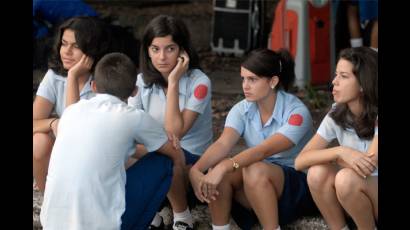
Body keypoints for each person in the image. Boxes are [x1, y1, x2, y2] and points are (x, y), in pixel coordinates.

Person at [40, 52, 186, 230]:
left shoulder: (71, 112)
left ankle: (152, 218)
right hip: (104, 226)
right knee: (164, 161)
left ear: (93, 86)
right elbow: (174, 150)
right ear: (134, 91)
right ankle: (178, 216)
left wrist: (72, 75)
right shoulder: (133, 117)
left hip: (51, 223)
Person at [189, 48, 317, 230]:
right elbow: (223, 143)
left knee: (250, 169)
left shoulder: (297, 112)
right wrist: (197, 170)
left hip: (296, 188)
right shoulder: (242, 109)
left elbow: (263, 151)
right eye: (243, 78)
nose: (245, 86)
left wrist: (225, 165)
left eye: (253, 80)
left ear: (273, 81)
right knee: (221, 171)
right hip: (257, 184)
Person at [128, 15, 213, 230]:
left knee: (168, 151)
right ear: (146, 50)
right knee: (116, 152)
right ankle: (151, 216)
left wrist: (173, 82)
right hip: (154, 153)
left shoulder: (199, 82)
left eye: (170, 48)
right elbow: (130, 130)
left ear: (182, 50)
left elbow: (176, 134)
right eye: (155, 49)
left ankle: (182, 217)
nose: (162, 57)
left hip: (191, 162)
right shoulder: (140, 81)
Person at [295, 47, 378, 230]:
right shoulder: (337, 113)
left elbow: (368, 167)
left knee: (345, 178)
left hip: (372, 189)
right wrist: (341, 152)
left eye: (344, 76)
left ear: (364, 83)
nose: (334, 82)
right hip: (357, 196)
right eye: (335, 75)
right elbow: (300, 161)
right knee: (317, 173)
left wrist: (339, 159)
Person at [33, 16, 111, 193]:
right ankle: (48, 196)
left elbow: (74, 128)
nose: (66, 52)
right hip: (66, 149)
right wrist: (52, 123)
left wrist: (73, 76)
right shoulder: (54, 76)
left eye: (76, 46)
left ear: (92, 49)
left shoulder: (105, 80)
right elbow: (34, 122)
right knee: (39, 140)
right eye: (64, 43)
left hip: (94, 152)